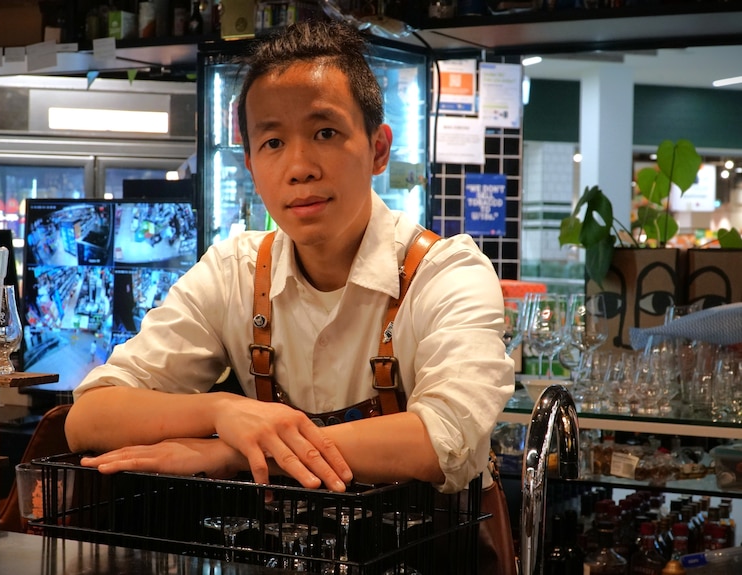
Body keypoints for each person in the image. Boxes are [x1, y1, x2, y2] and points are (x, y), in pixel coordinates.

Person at [65, 19, 514, 495]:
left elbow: (442, 439)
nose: (299, 168)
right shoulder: (232, 273)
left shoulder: (448, 274)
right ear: (253, 169)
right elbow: (90, 416)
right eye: (273, 142)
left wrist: (233, 451)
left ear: (378, 149)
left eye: (324, 132)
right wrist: (221, 411)